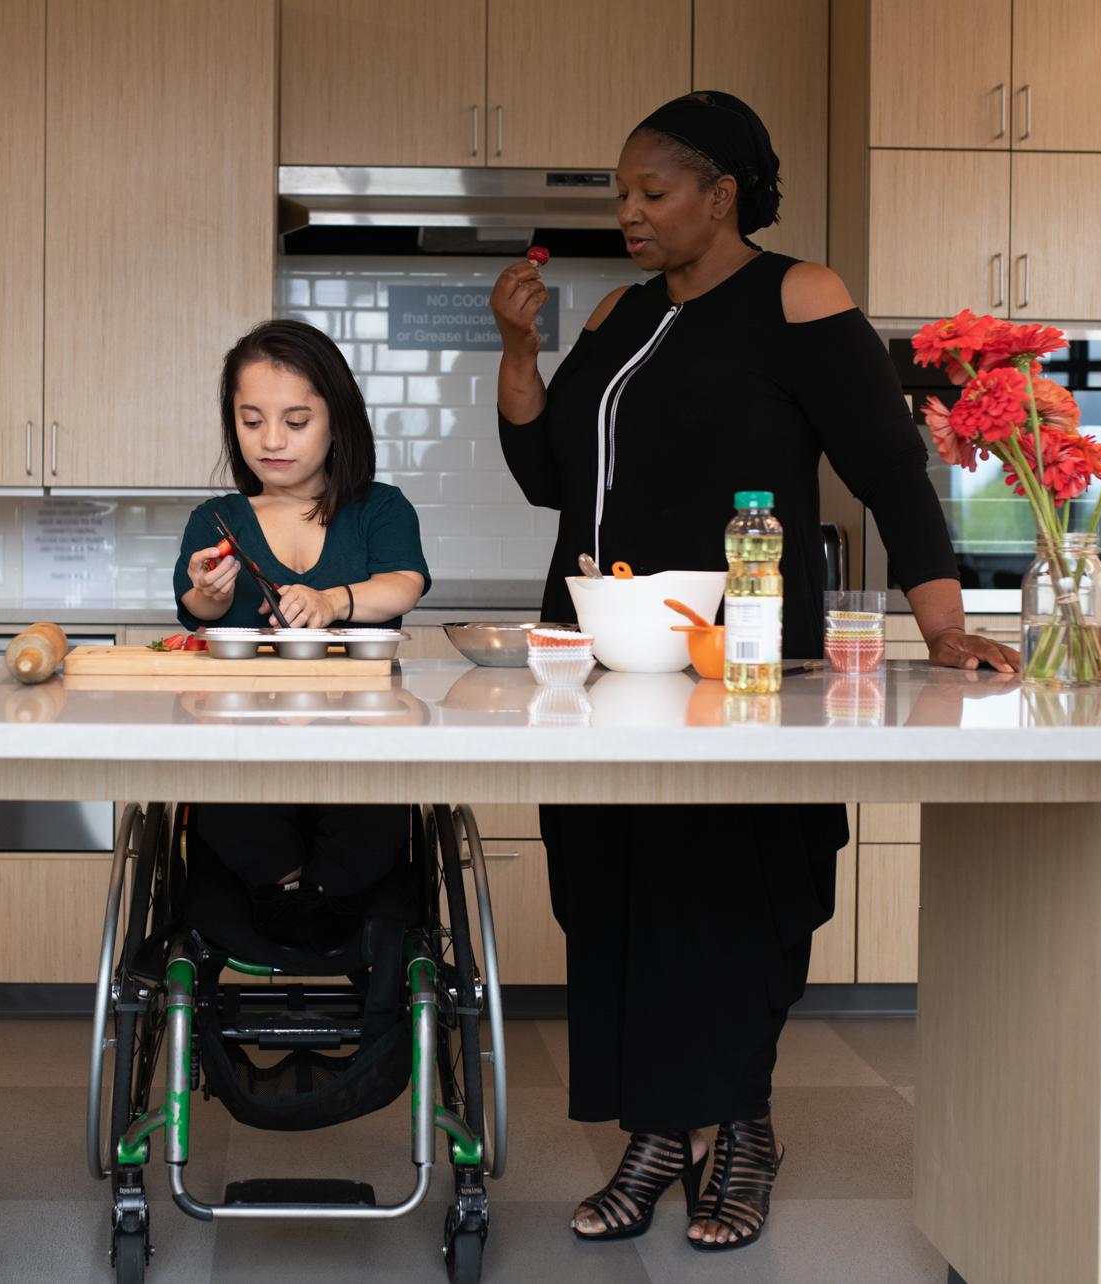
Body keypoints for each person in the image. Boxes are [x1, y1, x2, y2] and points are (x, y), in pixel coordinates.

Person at [488, 91, 1020, 1252]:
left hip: (739, 663)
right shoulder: (619, 314)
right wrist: (520, 350)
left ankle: (738, 1127)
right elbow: (544, 478)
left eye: (651, 191)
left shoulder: (797, 296)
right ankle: (653, 1131)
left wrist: (941, 628)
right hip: (599, 663)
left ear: (720, 193)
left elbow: (888, 473)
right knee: (609, 895)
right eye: (620, 194)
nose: (627, 213)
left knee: (728, 894)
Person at [174, 320, 431, 949]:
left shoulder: (379, 509)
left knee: (371, 809)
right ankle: (285, 888)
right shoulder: (217, 519)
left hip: (357, 745)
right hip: (246, 749)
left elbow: (404, 584)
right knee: (228, 799)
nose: (271, 440)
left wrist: (332, 600)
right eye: (251, 420)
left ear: (337, 421)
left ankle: (327, 897)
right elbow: (192, 606)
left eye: (295, 421)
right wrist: (210, 594)